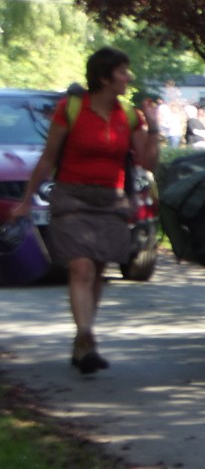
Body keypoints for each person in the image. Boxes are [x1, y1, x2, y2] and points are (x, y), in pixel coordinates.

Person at [9, 47, 160, 373]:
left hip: (111, 200)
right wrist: (26, 199)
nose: (128, 77)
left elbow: (146, 162)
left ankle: (83, 340)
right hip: (72, 198)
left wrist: (156, 129)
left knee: (98, 269)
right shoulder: (71, 109)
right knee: (81, 268)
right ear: (105, 77)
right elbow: (49, 157)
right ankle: (86, 335)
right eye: (122, 71)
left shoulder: (129, 115)